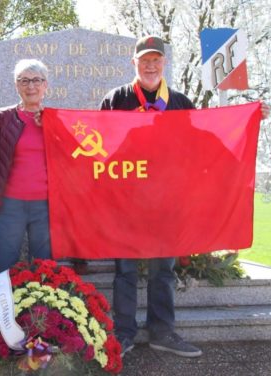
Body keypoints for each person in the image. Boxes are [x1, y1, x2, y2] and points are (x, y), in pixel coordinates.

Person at [99, 35, 203, 358]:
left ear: (164, 63)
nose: (150, 65)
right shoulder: (115, 99)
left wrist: (254, 116)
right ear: (134, 63)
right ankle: (124, 333)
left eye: (156, 59)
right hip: (126, 203)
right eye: (145, 60)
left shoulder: (181, 103)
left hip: (165, 204)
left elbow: (200, 146)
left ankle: (162, 331)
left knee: (163, 271)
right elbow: (97, 147)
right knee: (125, 271)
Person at [0, 59, 52, 276]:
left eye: (36, 80)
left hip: (46, 207)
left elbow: (71, 160)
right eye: (24, 81)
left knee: (44, 269)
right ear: (16, 86)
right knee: (2, 266)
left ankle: (42, 311)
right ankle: (2, 310)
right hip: (8, 206)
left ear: (45, 85)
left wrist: (50, 127)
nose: (31, 86)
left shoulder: (55, 120)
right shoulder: (2, 119)